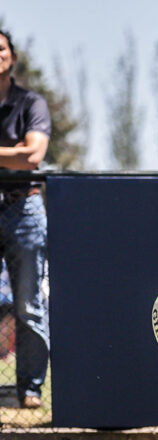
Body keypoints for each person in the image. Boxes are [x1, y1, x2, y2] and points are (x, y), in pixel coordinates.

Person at [0, 28, 50, 409]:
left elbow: (32, 157)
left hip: (24, 210)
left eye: (0, 49)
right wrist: (10, 152)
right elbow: (19, 154)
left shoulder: (31, 103)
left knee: (28, 305)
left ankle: (30, 391)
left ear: (12, 57)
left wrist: (22, 154)